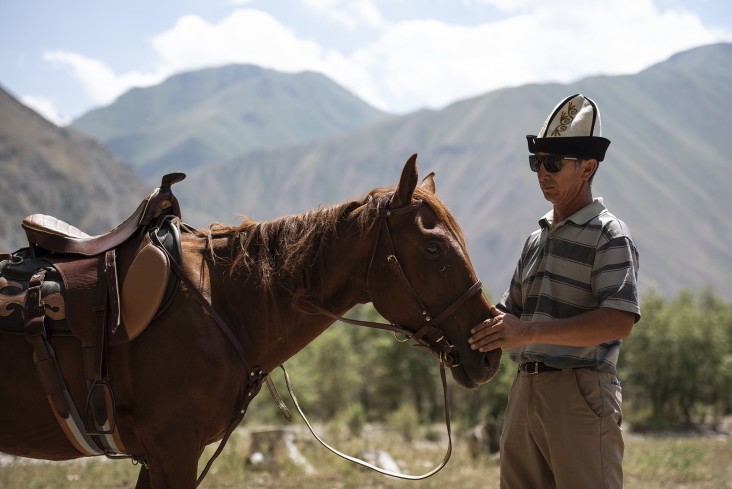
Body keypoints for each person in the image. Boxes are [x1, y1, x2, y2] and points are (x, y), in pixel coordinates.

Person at [468, 93, 641, 489]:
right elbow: (509, 313)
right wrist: (448, 328)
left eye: (552, 163)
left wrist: (529, 332)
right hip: (524, 390)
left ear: (588, 167)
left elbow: (619, 320)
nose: (542, 173)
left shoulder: (610, 235)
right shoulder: (535, 238)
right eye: (536, 163)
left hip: (581, 391)